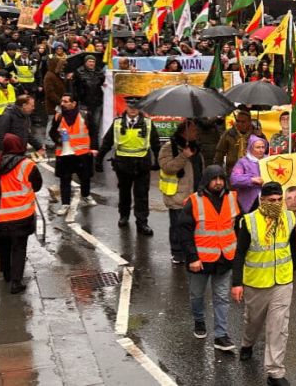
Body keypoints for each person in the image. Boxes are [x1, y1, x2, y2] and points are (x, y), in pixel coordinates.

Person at [232, 182, 296, 386]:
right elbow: (240, 253)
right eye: (271, 200)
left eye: (279, 200)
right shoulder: (249, 221)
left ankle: (275, 372)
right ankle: (247, 343)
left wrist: (294, 266)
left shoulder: (289, 217)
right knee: (253, 321)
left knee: (278, 326)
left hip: (282, 281)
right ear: (262, 200)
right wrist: (237, 283)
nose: (276, 203)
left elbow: (292, 244)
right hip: (257, 283)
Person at [179, 164, 240, 350]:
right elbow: (183, 232)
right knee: (197, 295)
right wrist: (192, 258)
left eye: (221, 178)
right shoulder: (194, 202)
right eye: (214, 179)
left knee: (222, 297)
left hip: (225, 258)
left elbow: (237, 227)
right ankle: (199, 320)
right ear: (206, 181)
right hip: (200, 260)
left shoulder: (232, 198)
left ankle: (221, 335)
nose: (218, 182)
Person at [0, 133, 42, 294]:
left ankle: (7, 273)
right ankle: (16, 282)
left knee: (3, 243)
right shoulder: (27, 165)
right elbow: (37, 185)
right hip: (20, 215)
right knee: (19, 247)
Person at [96, 97, 161, 235]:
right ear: (126, 106)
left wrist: (158, 161)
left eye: (136, 107)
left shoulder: (148, 123)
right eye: (131, 107)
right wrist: (99, 159)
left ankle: (142, 222)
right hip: (123, 165)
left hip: (142, 165)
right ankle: (124, 216)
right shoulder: (117, 123)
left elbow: (156, 144)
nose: (133, 110)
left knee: (142, 195)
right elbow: (107, 142)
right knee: (124, 193)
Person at [159, 119, 205, 264]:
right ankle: (177, 253)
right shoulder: (169, 147)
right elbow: (167, 167)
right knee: (178, 225)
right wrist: (183, 156)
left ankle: (191, 251)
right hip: (178, 194)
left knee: (193, 225)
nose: (196, 132)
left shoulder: (195, 147)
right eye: (193, 130)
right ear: (184, 131)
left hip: (195, 194)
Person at [49, 94, 97, 223]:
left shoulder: (84, 115)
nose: (62, 104)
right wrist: (59, 140)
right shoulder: (59, 116)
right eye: (62, 101)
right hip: (64, 154)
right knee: (65, 179)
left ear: (74, 103)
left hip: (82, 152)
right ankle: (65, 203)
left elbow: (93, 131)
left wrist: (94, 147)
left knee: (85, 177)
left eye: (66, 101)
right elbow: (52, 132)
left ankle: (86, 195)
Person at [70, 55, 105, 150]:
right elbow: (73, 87)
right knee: (84, 126)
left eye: (93, 62)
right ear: (85, 63)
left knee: (95, 127)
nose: (91, 63)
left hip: (97, 103)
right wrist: (74, 100)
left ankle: (94, 148)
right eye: (89, 61)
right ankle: (83, 146)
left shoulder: (100, 72)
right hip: (84, 103)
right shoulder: (78, 72)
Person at [230, 134, 267, 213]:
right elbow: (234, 179)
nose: (261, 150)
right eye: (258, 147)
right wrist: (251, 180)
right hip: (250, 201)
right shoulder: (243, 162)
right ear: (251, 148)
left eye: (263, 147)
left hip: (267, 199)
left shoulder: (268, 160)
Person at [43, 53, 66, 149]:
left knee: (57, 122)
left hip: (59, 104)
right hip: (53, 105)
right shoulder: (49, 76)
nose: (62, 67)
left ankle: (54, 139)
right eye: (60, 65)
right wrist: (60, 102)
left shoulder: (57, 75)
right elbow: (50, 93)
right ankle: (48, 141)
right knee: (52, 122)